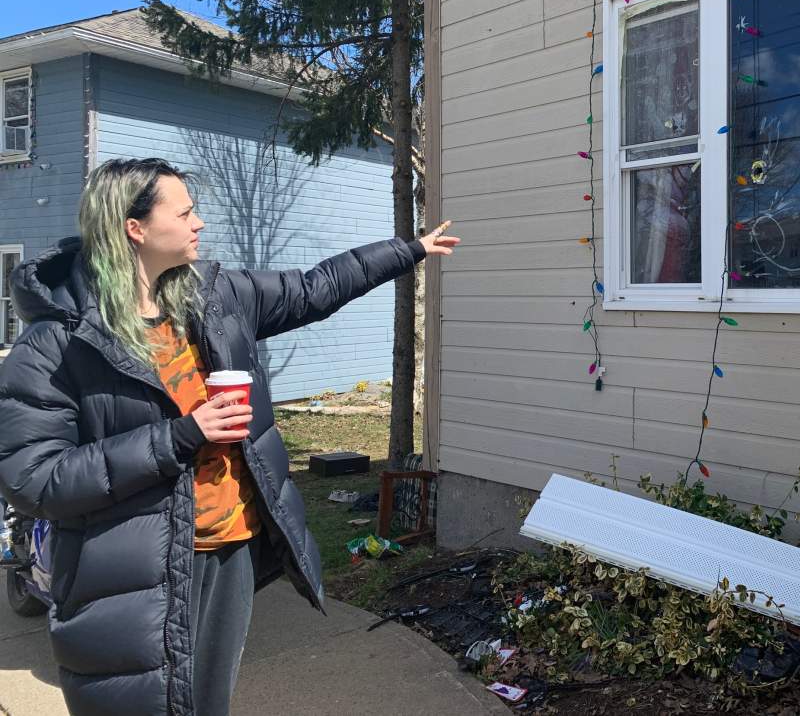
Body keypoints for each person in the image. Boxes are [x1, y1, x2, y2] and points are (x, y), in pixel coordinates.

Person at [0, 157, 459, 716]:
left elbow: (315, 288)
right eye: (186, 211)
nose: (199, 224)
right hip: (133, 568)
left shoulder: (214, 300)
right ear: (134, 228)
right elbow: (33, 480)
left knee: (207, 702)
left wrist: (409, 250)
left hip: (230, 547)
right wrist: (180, 436)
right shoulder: (57, 344)